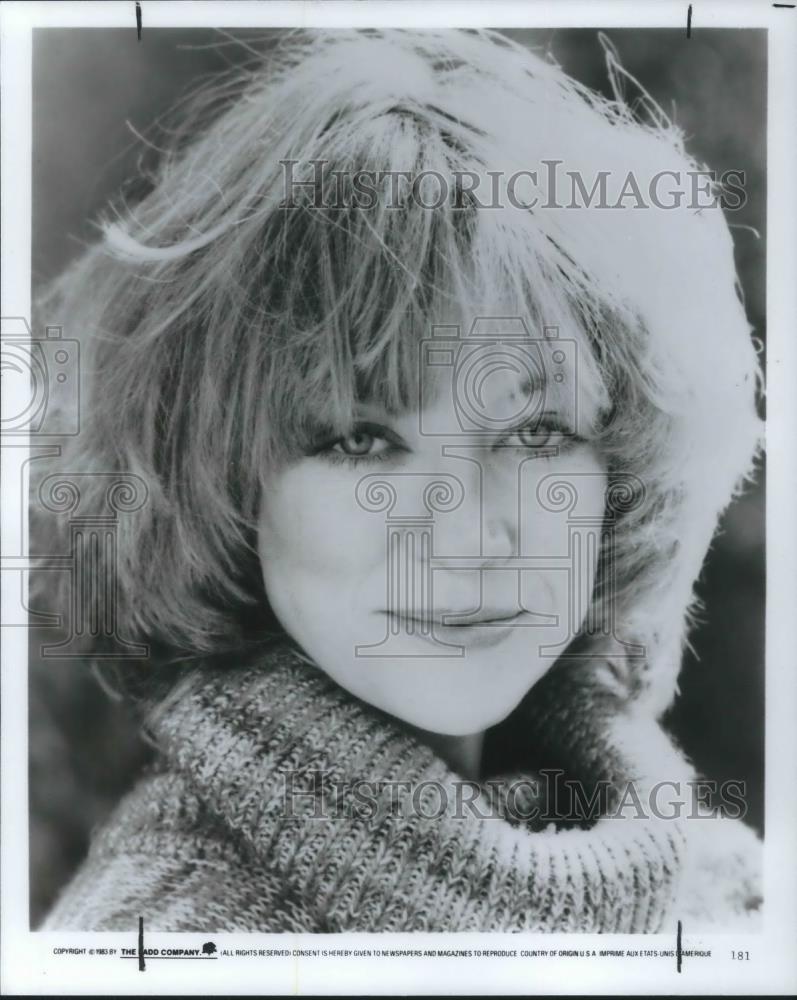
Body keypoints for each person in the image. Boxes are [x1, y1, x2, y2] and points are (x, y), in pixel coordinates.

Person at [35, 28, 763, 932]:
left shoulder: (731, 895)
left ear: (620, 475)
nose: (464, 535)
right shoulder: (170, 941)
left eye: (535, 432)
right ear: (221, 482)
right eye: (359, 439)